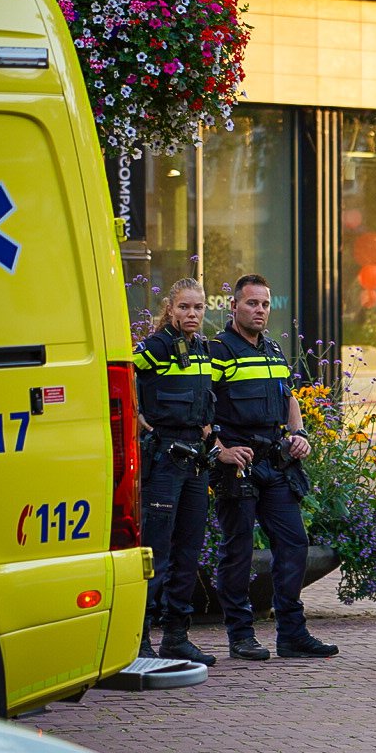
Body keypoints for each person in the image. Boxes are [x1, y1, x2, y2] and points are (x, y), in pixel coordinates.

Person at [209, 274, 339, 661]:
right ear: (234, 307)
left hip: (275, 463)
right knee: (239, 551)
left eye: (265, 304)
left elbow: (289, 399)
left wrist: (299, 434)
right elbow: (201, 408)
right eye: (252, 303)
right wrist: (220, 451)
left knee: (294, 543)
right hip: (238, 465)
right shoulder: (217, 351)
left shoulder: (272, 350)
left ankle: (292, 634)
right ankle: (240, 635)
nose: (260, 310)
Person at [133, 278, 218, 667]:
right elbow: (121, 374)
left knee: (187, 550)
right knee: (157, 551)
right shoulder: (156, 346)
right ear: (170, 308)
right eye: (185, 307)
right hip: (165, 458)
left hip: (194, 459)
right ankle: (138, 639)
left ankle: (176, 638)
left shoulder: (202, 348)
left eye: (198, 308)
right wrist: (136, 416)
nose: (192, 314)